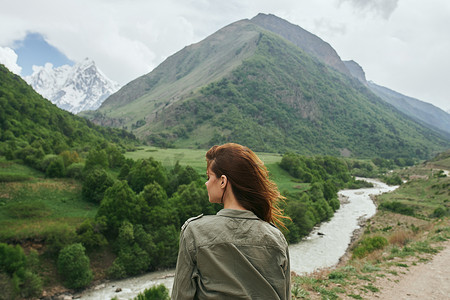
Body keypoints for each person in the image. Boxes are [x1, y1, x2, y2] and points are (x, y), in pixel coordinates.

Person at [171, 143, 291, 299]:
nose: (206, 183)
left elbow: (181, 296)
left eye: (209, 177)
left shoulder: (194, 232)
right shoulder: (276, 237)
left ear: (223, 181)